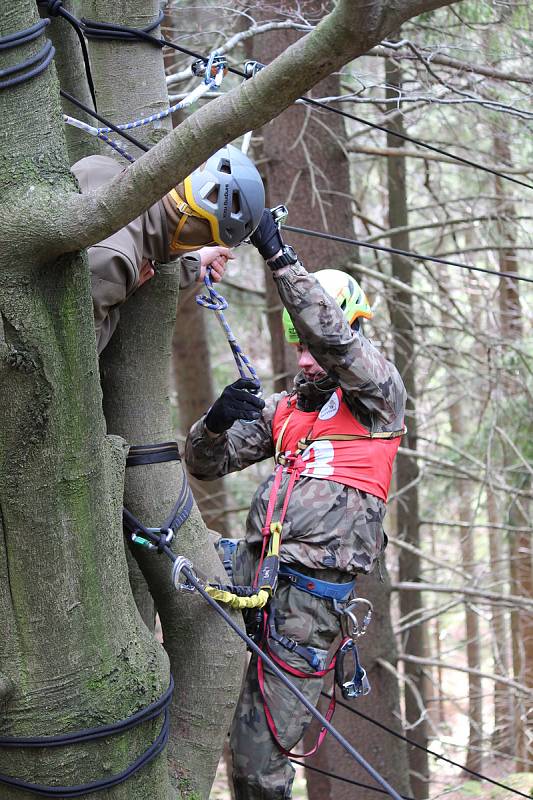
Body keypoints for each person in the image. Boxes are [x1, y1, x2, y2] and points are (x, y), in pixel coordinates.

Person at [185, 210, 407, 800]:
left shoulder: (377, 400)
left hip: (306, 604)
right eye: (297, 345)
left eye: (313, 345)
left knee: (258, 766)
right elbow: (206, 463)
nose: (305, 358)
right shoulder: (289, 410)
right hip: (253, 570)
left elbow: (335, 341)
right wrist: (213, 424)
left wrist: (279, 256)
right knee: (162, 547)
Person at [71, 144, 265, 352]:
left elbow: (145, 232)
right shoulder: (115, 264)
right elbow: (76, 362)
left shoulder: (99, 166)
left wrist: (191, 264)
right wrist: (127, 289)